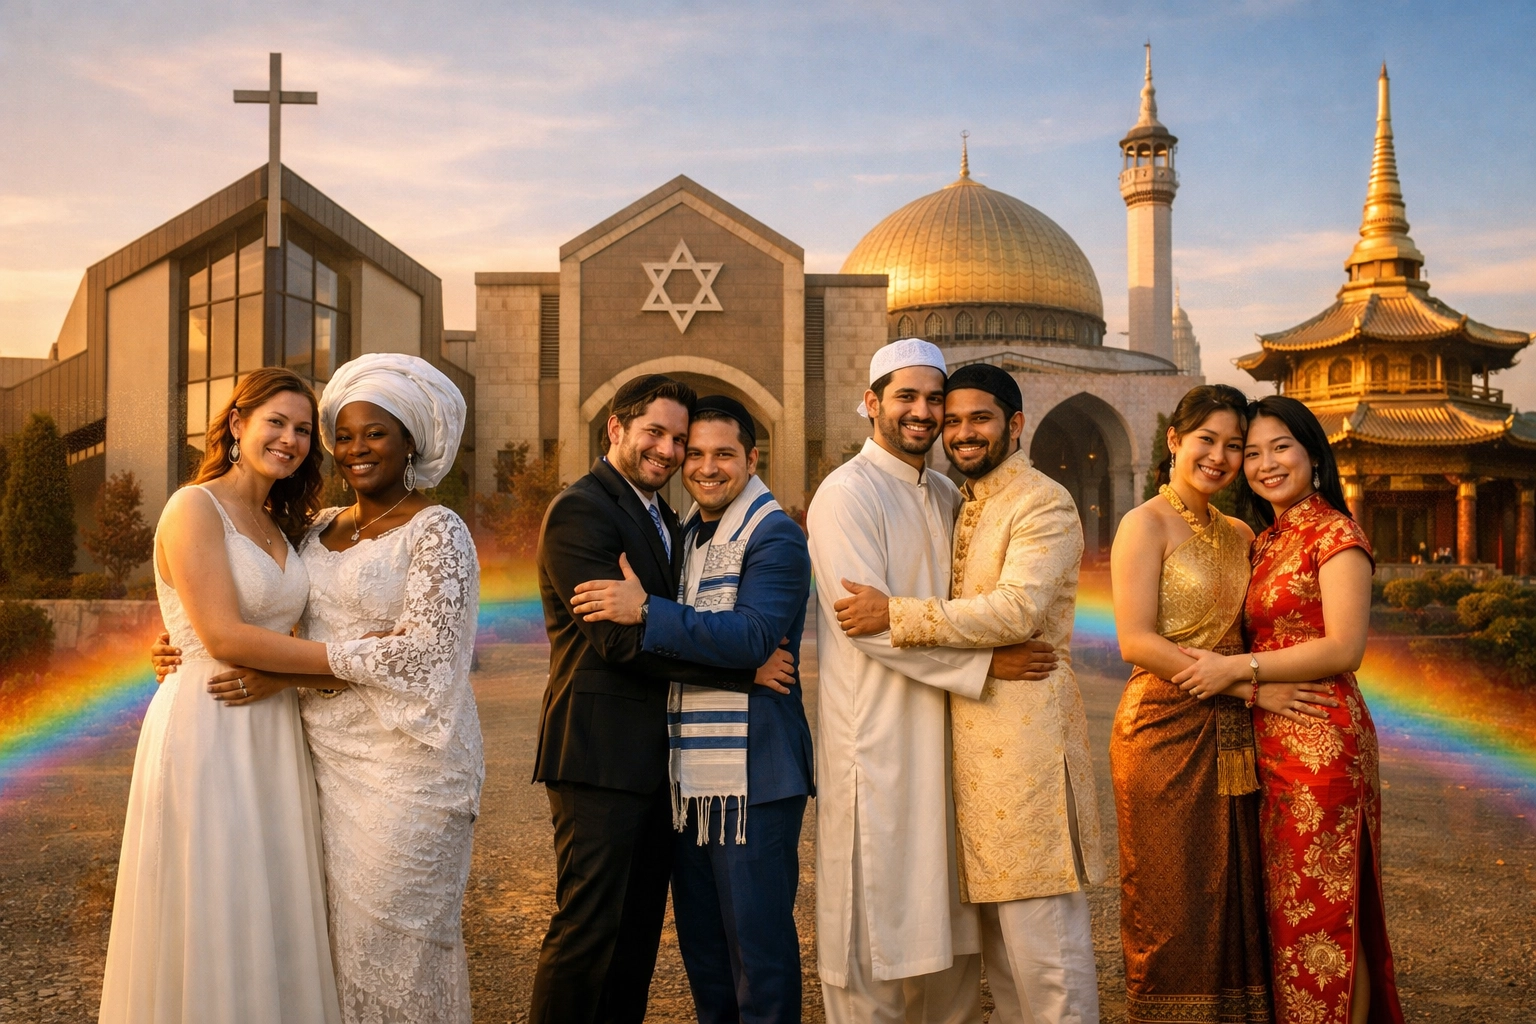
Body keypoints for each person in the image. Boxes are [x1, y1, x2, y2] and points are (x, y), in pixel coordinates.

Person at [149, 354, 485, 1023]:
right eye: (344, 435)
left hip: (409, 767)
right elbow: (255, 608)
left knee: (395, 946)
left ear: (411, 442)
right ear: (239, 425)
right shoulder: (314, 526)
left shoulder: (439, 529)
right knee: (323, 946)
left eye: (376, 433)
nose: (355, 447)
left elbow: (428, 658)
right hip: (318, 761)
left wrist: (286, 671)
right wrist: (182, 641)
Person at [833, 362, 1105, 1023]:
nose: (961, 432)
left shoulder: (1040, 501)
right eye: (951, 420)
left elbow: (1018, 610)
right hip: (969, 760)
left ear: (1015, 424)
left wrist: (896, 614)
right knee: (1005, 963)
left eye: (978, 418)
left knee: (1046, 956)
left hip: (1027, 753)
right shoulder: (961, 502)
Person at [529, 375, 791, 1024]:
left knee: (637, 938)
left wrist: (654, 610)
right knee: (589, 931)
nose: (669, 452)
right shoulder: (582, 510)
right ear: (615, 428)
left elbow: (660, 619)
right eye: (657, 434)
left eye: (679, 440)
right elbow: (617, 642)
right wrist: (742, 672)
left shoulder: (668, 519)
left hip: (655, 765)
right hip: (599, 757)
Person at [103, 367, 342, 1023]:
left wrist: (299, 672)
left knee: (270, 895)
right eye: (276, 422)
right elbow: (222, 635)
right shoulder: (192, 507)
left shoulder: (282, 523)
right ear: (237, 423)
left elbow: (279, 627)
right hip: (209, 720)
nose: (290, 440)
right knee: (215, 891)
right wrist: (349, 662)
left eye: (303, 430)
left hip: (274, 728)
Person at [1171, 395, 1404, 1024]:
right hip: (1267, 737)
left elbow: (1345, 648)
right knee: (1286, 909)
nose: (1265, 464)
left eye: (1281, 448)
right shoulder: (1264, 540)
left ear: (1314, 457)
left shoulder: (1336, 534)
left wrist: (1237, 670)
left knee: (1329, 914)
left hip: (1322, 739)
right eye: (1252, 453)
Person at [1108, 384, 1337, 1024]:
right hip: (1162, 729)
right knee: (1170, 899)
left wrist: (1252, 689)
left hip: (1236, 738)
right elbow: (1136, 642)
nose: (1220, 456)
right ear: (1174, 440)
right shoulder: (1143, 524)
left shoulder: (1240, 532)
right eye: (1206, 440)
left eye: (1234, 446)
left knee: (1235, 893)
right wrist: (1251, 687)